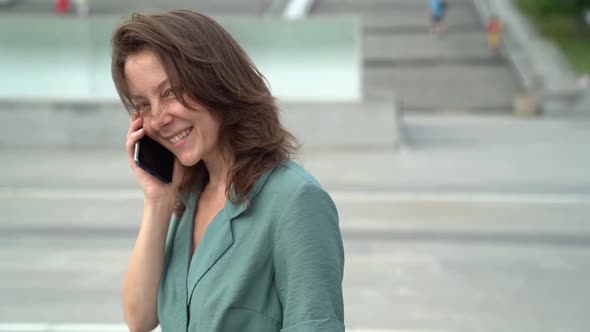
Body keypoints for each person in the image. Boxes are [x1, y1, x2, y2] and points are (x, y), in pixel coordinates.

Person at [110, 9, 345, 332]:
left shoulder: (295, 201)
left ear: (216, 82)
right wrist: (158, 200)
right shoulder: (190, 198)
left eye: (171, 92)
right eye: (144, 105)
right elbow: (140, 318)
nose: (158, 118)